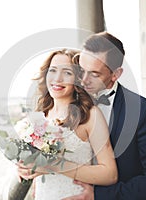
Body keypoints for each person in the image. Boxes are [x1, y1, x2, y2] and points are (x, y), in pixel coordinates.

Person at [64, 32, 146, 200]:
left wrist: (99, 196)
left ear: (115, 74)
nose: (84, 80)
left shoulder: (144, 112)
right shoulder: (67, 101)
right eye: (81, 70)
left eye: (94, 74)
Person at [16, 49, 118, 200]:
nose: (57, 78)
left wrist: (54, 165)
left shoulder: (91, 115)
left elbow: (110, 174)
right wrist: (25, 170)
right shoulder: (39, 115)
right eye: (53, 70)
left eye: (67, 73)